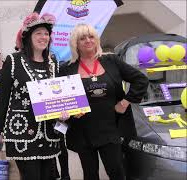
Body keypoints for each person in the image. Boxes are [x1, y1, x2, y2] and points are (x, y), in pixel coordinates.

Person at [59, 24, 149, 180]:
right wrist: (66, 113)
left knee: (117, 172)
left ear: (97, 39)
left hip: (111, 129)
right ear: (76, 43)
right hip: (83, 132)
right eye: (82, 38)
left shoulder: (111, 60)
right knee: (90, 175)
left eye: (91, 36)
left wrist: (125, 101)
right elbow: (61, 100)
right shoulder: (67, 68)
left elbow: (140, 80)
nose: (88, 40)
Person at [0, 12, 61, 180]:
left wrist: (65, 112)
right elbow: (3, 97)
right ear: (28, 37)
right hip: (22, 131)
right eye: (38, 33)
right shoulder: (13, 60)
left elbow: (60, 95)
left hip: (48, 132)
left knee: (49, 176)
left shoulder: (54, 62)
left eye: (46, 33)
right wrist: (0, 128)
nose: (43, 37)